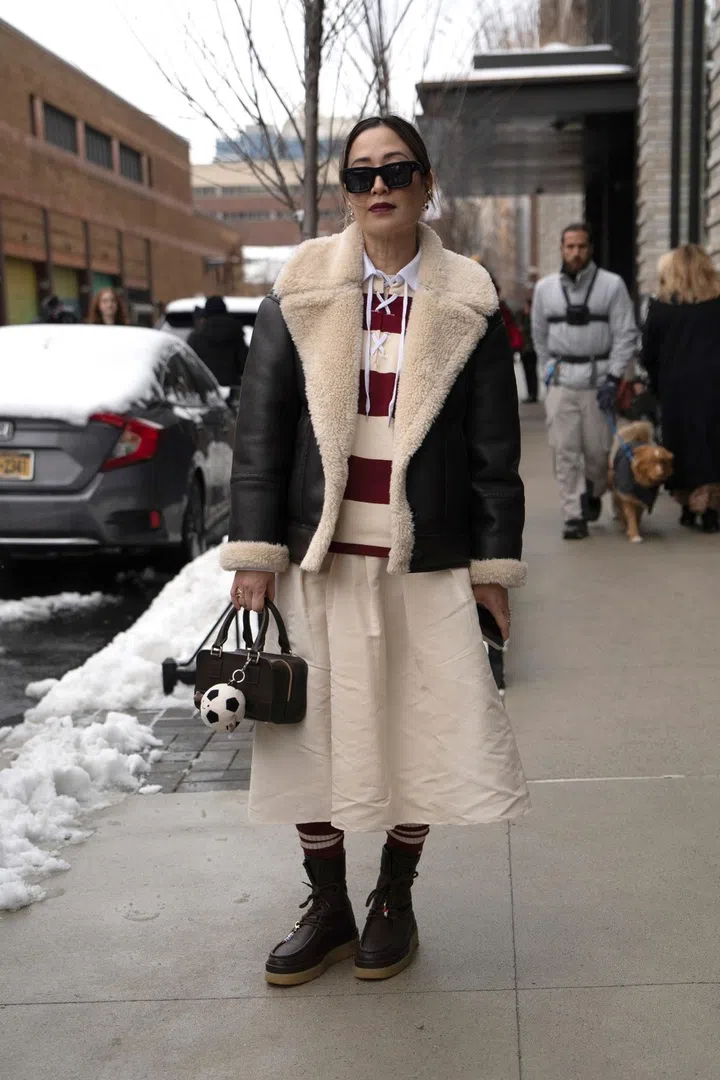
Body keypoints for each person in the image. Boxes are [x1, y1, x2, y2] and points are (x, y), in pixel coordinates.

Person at [220, 114, 529, 987]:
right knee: (308, 737)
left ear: (427, 184)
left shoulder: (471, 298)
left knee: (417, 734)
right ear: (346, 193)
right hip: (317, 558)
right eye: (361, 175)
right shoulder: (298, 291)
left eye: (396, 170)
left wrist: (493, 570)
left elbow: (493, 455)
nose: (379, 187)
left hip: (423, 562)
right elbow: (260, 435)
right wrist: (255, 552)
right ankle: (329, 906)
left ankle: (394, 897)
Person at [531, 222, 638, 539]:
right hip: (561, 384)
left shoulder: (612, 285)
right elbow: (538, 335)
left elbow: (625, 334)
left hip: (599, 383)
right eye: (570, 246)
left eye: (581, 246)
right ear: (561, 249)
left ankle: (592, 491)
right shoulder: (545, 289)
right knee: (564, 451)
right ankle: (573, 516)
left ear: (590, 248)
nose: (575, 252)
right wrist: (547, 371)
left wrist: (614, 378)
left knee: (597, 454)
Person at [642, 244, 720, 533]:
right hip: (714, 385)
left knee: (680, 444)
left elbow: (648, 352)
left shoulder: (661, 308)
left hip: (675, 387)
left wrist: (654, 383)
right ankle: (710, 507)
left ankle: (687, 504)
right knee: (711, 443)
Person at [187, 295, 248, 394]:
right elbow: (244, 363)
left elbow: (189, 365)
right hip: (232, 390)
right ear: (224, 309)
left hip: (205, 391)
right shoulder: (236, 333)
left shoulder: (197, 335)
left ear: (207, 312)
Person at [519, 288, 539, 403]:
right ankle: (530, 393)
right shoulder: (523, 316)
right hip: (524, 349)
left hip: (530, 349)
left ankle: (533, 394)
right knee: (527, 372)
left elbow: (528, 330)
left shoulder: (531, 318)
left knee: (531, 372)